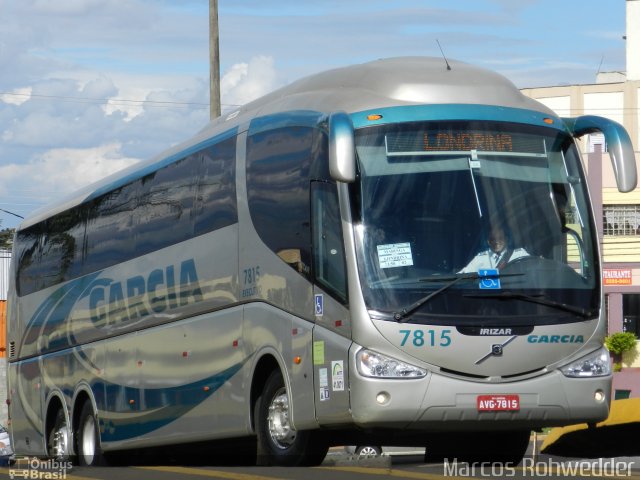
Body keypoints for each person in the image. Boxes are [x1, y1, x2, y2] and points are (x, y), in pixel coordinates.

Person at [459, 224, 528, 273]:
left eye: (500, 238)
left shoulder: (519, 254)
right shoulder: (481, 258)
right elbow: (463, 274)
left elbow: (534, 267)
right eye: (492, 239)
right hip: (490, 293)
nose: (496, 242)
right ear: (488, 242)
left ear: (506, 239)